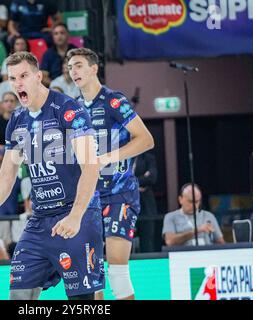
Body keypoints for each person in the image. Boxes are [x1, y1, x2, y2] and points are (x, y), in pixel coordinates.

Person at [0, 51, 104, 300]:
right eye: (13, 78)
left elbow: (91, 166)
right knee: (19, 296)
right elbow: (5, 177)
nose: (18, 83)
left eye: (23, 75)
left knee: (83, 303)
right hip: (39, 220)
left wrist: (76, 216)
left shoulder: (68, 110)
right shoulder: (17, 120)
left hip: (77, 215)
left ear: (38, 77)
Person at [67, 48, 154, 300]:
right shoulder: (73, 108)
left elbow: (146, 140)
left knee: (116, 270)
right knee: (92, 275)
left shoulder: (114, 101)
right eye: (71, 67)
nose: (74, 71)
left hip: (119, 193)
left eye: (79, 65)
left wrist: (106, 157)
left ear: (94, 69)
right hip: (88, 197)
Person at [134, 150, 158, 253]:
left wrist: (130, 183)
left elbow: (152, 178)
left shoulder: (148, 158)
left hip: (145, 204)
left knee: (147, 238)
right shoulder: (121, 156)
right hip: (125, 202)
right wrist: (141, 180)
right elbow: (117, 179)